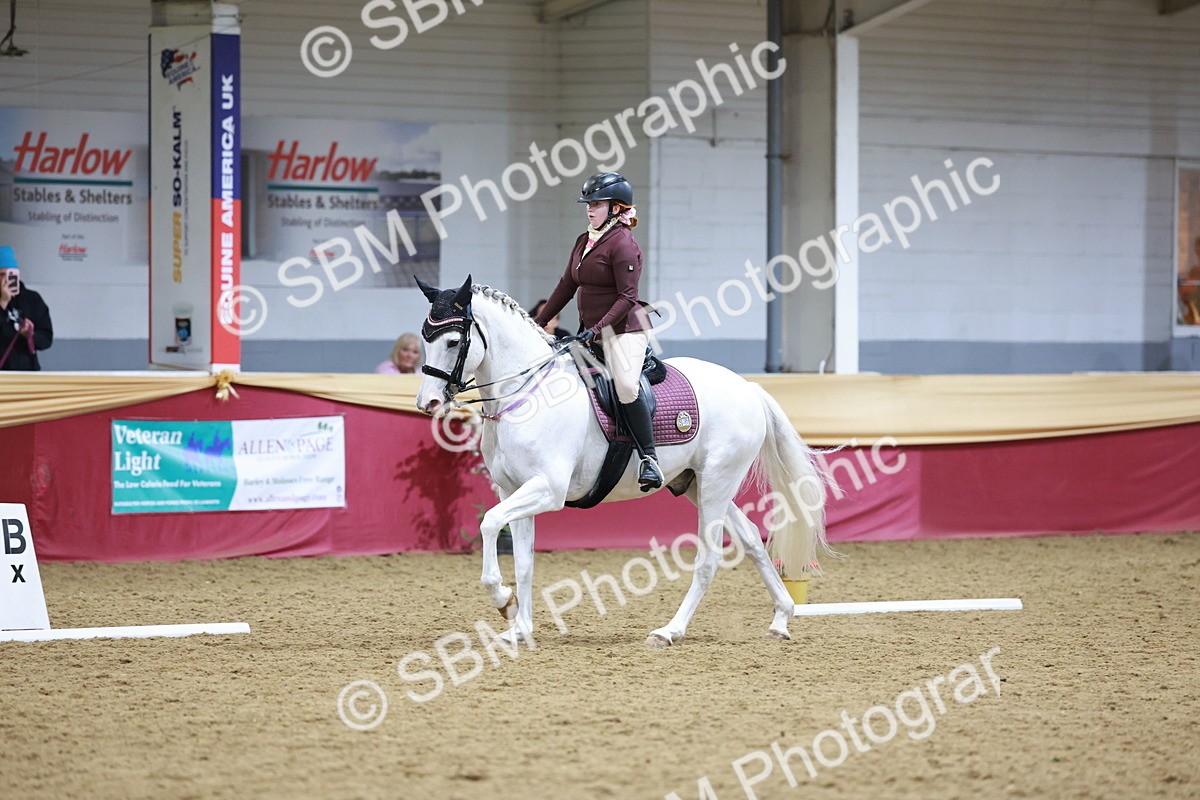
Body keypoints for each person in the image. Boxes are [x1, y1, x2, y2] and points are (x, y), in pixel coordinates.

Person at [534, 172, 663, 491]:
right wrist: (536, 322)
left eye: (596, 204)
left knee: (625, 385)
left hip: (624, 331)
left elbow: (627, 298)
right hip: (589, 331)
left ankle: (649, 459)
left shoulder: (624, 244)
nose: (589, 209)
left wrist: (595, 331)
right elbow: (566, 285)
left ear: (617, 208)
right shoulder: (584, 240)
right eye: (588, 204)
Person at [0, 245, 53, 371]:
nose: (6, 280)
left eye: (10, 275)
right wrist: (3, 303)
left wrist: (30, 334)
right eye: (2, 275)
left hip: (26, 371)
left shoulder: (32, 299)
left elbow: (46, 339)